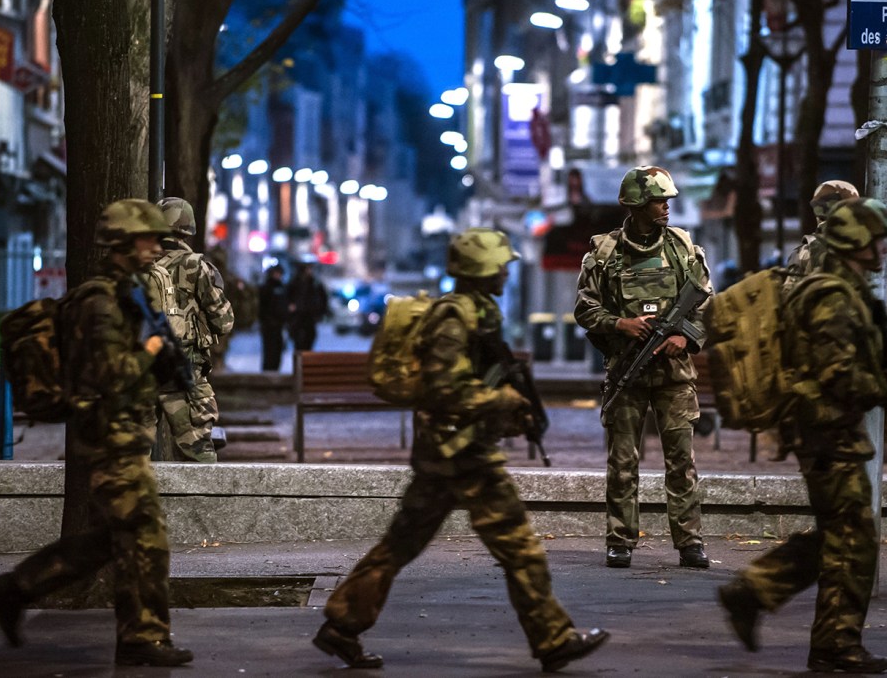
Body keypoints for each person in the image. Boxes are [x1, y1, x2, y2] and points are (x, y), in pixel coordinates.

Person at [312, 228, 609, 672]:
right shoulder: (454, 317)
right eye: (501, 264)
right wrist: (501, 400)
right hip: (463, 455)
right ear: (482, 268)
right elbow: (445, 388)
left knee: (400, 545)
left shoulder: (478, 311)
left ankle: (341, 626)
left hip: (448, 454)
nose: (508, 271)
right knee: (520, 547)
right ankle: (552, 638)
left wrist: (507, 405)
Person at [0, 199, 193, 667]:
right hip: (107, 436)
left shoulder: (129, 292)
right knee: (146, 533)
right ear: (123, 242)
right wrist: (152, 347)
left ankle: (15, 589)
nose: (156, 246)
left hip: (122, 430)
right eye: (148, 239)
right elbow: (109, 374)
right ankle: (143, 636)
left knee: (110, 540)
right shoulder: (98, 301)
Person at [717, 198, 887, 674]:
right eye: (876, 240)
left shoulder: (840, 288)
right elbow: (837, 373)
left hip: (828, 431)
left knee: (844, 534)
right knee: (852, 536)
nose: (883, 249)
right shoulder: (833, 296)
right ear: (854, 242)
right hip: (827, 433)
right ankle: (828, 640)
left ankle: (769, 601)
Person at [574, 165, 712, 570]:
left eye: (668, 200)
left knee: (682, 462)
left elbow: (704, 305)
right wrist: (621, 324)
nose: (666, 207)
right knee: (622, 461)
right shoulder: (604, 253)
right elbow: (585, 308)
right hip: (627, 371)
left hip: (674, 377)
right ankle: (620, 540)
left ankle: (689, 542)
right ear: (634, 204)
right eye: (657, 200)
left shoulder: (682, 248)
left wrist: (684, 337)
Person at [153, 197, 234, 463]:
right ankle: (202, 506)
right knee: (197, 451)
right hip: (182, 372)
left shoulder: (138, 266)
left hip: (139, 372)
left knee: (130, 458)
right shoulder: (196, 266)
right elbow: (224, 321)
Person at [785, 180, 887, 340]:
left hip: (830, 339)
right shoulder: (876, 247)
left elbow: (789, 306)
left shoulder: (806, 252)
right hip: (883, 339)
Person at [286, 261, 328, 352]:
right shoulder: (294, 283)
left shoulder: (314, 283)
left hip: (310, 316)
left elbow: (323, 298)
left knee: (309, 339)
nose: (310, 271)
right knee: (299, 342)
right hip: (298, 317)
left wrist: (320, 311)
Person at [258, 264, 288, 371]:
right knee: (269, 351)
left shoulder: (282, 287)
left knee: (278, 351)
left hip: (279, 326)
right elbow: (262, 307)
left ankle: (275, 370)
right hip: (269, 326)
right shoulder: (266, 288)